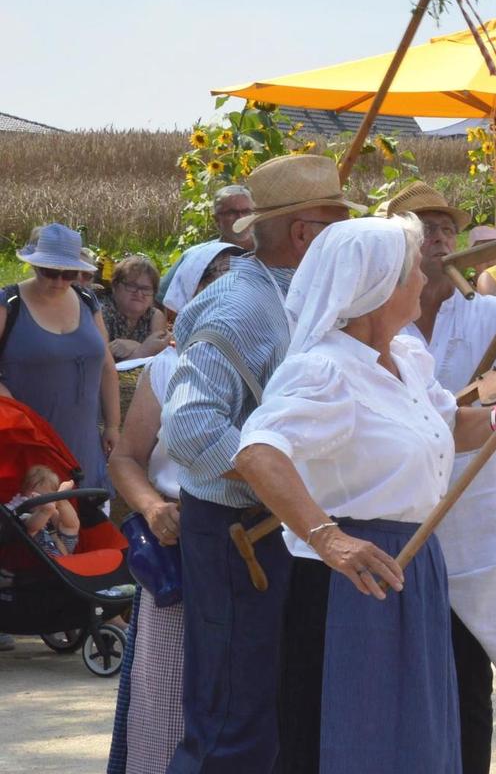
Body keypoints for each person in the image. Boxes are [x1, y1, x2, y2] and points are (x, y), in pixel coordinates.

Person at [232, 216, 496, 773]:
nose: (422, 281)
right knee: (354, 738)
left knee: (412, 739)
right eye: (410, 272)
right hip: (348, 581)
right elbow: (257, 453)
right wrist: (329, 540)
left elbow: (448, 428)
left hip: (413, 568)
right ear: (376, 288)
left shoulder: (405, 360)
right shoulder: (322, 370)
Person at [160, 154, 360, 773]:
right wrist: (278, 480)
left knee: (272, 715)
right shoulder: (245, 306)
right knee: (232, 722)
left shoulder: (289, 295)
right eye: (334, 227)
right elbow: (191, 428)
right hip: (238, 539)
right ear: (302, 234)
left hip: (272, 534)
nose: (344, 242)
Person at [388, 182, 496, 774]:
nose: (438, 239)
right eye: (423, 228)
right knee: (400, 662)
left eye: (445, 228)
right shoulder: (381, 319)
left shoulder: (492, 311)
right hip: (400, 506)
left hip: (473, 503)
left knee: (467, 662)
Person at [106, 241, 241, 774]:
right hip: (176, 550)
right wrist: (151, 507)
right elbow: (126, 459)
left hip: (249, 548)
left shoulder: (275, 360)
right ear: (178, 304)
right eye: (213, 280)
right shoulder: (164, 371)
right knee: (165, 698)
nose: (227, 291)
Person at [1, 223, 120, 500]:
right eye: (50, 272)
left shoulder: (88, 299)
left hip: (85, 443)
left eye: (68, 274)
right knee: (40, 526)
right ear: (33, 265)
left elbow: (106, 364)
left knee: (89, 525)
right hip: (30, 445)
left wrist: (113, 425)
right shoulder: (9, 303)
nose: (58, 281)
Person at [157, 185, 256, 300]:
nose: (241, 217)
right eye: (231, 213)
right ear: (216, 220)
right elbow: (160, 299)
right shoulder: (196, 256)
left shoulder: (271, 254)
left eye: (247, 212)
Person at [101, 255, 169, 361]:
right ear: (115, 286)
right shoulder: (101, 313)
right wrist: (143, 350)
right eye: (132, 286)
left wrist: (137, 347)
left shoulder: (154, 316)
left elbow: (158, 362)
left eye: (146, 289)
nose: (139, 293)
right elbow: (101, 366)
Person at [6, 465, 79, 556]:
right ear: (24, 493)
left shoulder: (53, 511)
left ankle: (62, 499)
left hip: (61, 550)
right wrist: (45, 511)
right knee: (28, 528)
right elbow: (29, 528)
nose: (43, 500)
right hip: (39, 554)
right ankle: (46, 510)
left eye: (49, 496)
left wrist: (56, 502)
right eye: (39, 496)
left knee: (71, 526)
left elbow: (68, 525)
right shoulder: (20, 510)